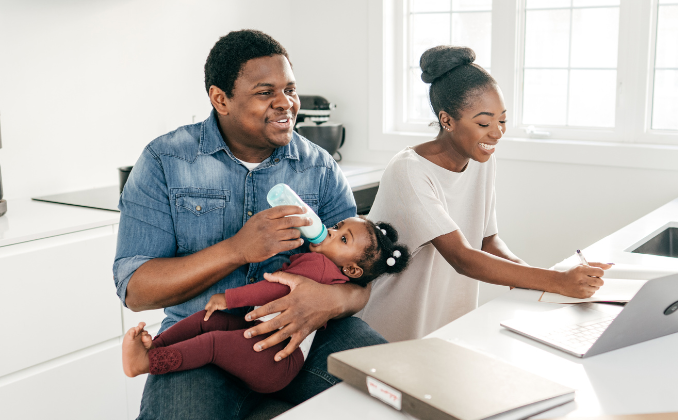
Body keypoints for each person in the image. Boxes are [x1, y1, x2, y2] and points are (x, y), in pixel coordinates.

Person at [113, 30, 387, 419]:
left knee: (393, 392)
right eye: (265, 92)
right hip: (203, 340)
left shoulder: (320, 168)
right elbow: (136, 290)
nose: (286, 104)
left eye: (290, 89)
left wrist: (329, 301)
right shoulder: (165, 161)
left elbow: (361, 281)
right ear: (220, 99)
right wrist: (236, 250)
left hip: (304, 336)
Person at [358, 46, 612, 342]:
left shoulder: (481, 159)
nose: (497, 132)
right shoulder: (410, 171)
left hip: (446, 326)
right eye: (484, 123)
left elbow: (486, 241)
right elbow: (462, 257)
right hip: (390, 328)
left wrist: (539, 280)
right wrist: (557, 281)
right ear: (447, 120)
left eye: (502, 120)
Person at [121, 217, 409, 394]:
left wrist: (229, 298)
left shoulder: (321, 267)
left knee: (212, 341)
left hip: (275, 360)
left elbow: (273, 287)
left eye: (343, 238)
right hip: (262, 337)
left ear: (353, 270)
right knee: (207, 319)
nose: (331, 232)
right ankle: (155, 346)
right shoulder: (327, 268)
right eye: (336, 227)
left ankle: (149, 360)